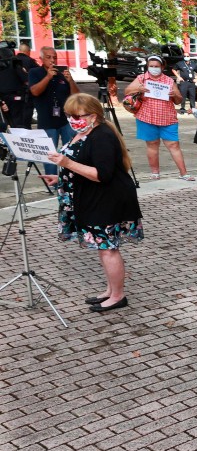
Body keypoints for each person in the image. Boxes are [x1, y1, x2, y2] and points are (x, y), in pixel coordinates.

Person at [44, 93, 143, 313]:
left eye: (78, 115)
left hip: (107, 200)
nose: (73, 119)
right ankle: (110, 289)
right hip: (90, 198)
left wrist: (67, 163)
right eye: (69, 115)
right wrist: (61, 176)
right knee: (103, 247)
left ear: (94, 115)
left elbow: (102, 174)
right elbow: (81, 166)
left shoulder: (102, 136)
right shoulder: (83, 133)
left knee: (109, 249)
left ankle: (118, 296)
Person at [122, 54, 196, 181]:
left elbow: (178, 101)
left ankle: (183, 173)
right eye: (151, 66)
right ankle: (155, 172)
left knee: (173, 145)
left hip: (167, 118)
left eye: (156, 66)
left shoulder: (168, 80)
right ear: (147, 66)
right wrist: (138, 89)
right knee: (152, 144)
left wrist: (174, 95)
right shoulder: (141, 78)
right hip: (146, 117)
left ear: (162, 67)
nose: (154, 68)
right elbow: (127, 91)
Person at [27, 46, 80, 174]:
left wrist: (70, 81)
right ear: (41, 59)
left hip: (65, 120)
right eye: (48, 57)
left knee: (72, 150)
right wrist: (48, 77)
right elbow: (34, 91)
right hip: (47, 121)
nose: (52, 60)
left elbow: (76, 96)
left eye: (54, 57)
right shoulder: (35, 72)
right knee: (50, 154)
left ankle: (71, 178)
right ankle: (53, 182)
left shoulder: (61, 73)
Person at [0, 44, 31, 129]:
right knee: (20, 124)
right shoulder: (15, 60)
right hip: (16, 98)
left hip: (3, 99)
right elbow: (25, 78)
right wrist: (24, 72)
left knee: (8, 124)